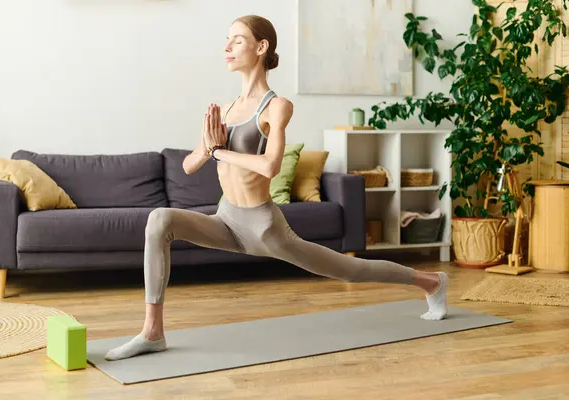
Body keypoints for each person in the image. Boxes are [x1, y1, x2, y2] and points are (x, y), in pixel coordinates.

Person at [104, 15, 449, 361]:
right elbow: (189, 164)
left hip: (264, 229)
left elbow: (270, 166)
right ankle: (153, 332)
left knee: (351, 270)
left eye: (236, 40)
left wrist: (220, 151)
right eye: (227, 40)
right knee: (159, 219)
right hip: (225, 221)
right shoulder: (225, 110)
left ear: (261, 46)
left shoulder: (277, 106)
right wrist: (209, 147)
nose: (226, 47)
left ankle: (431, 281)